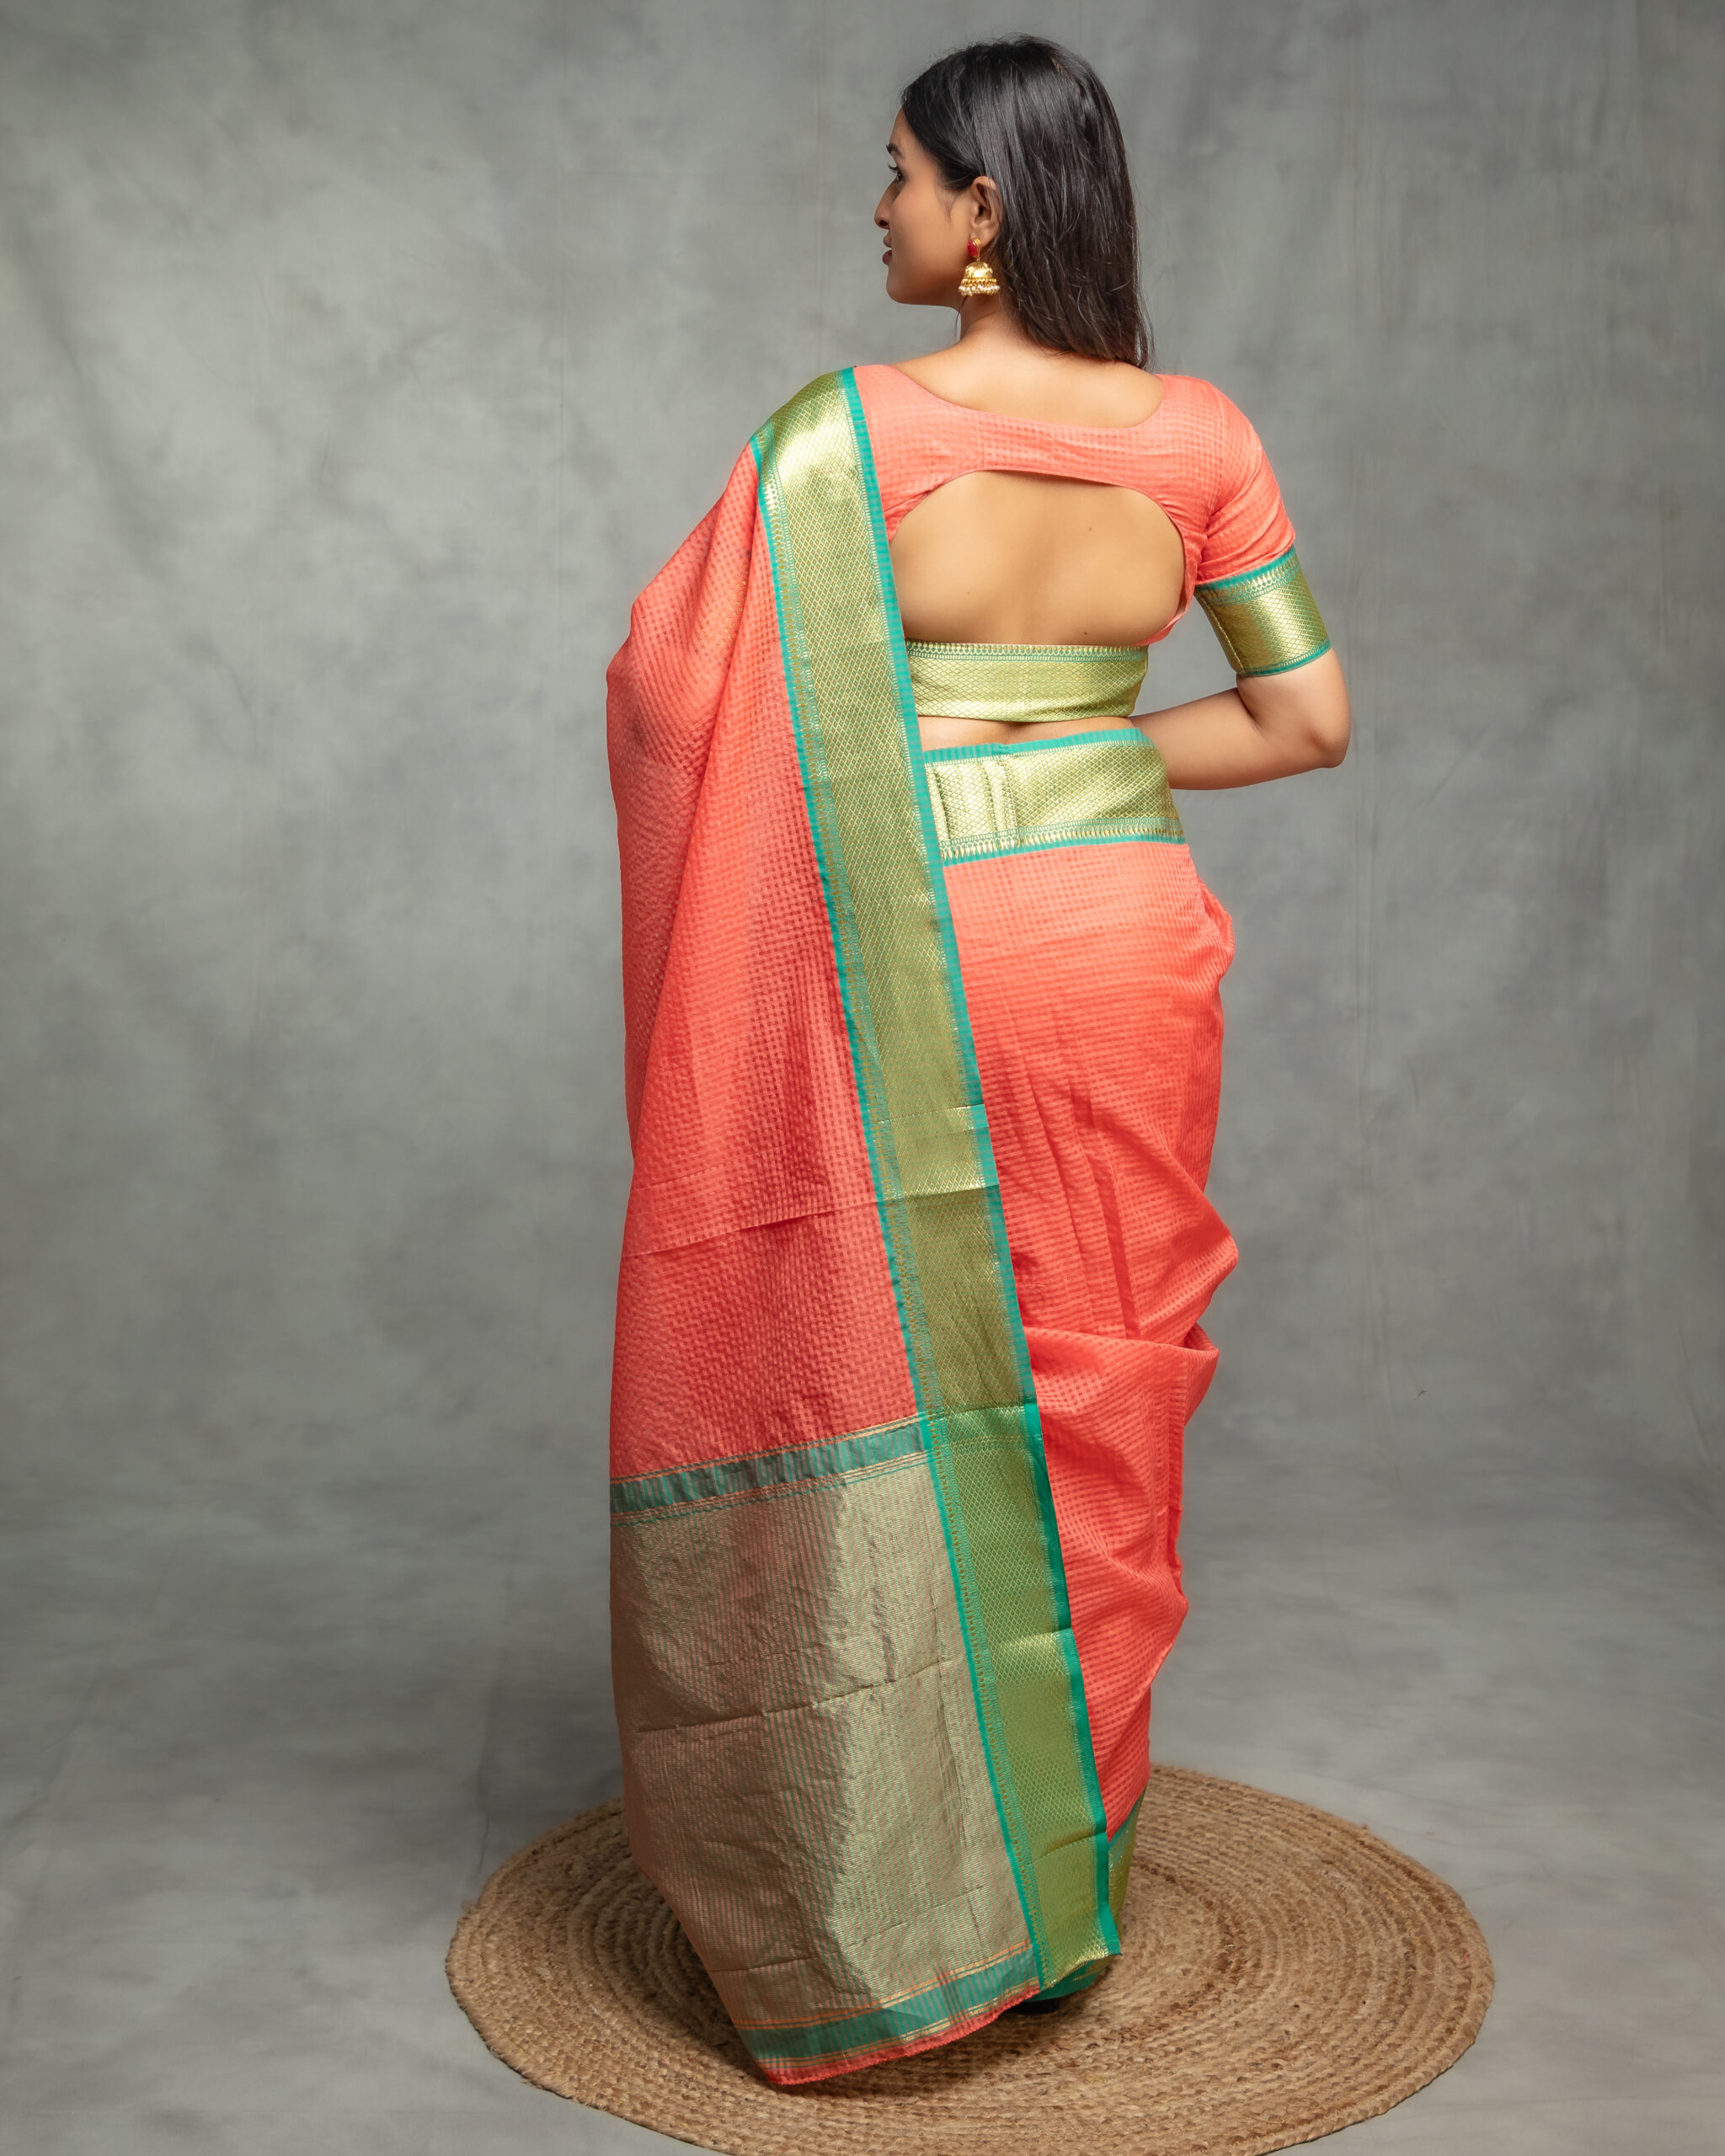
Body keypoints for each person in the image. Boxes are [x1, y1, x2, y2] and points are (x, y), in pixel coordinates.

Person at [605, 35, 1349, 2088]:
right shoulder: (1201, 437)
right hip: (1121, 940)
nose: (879, 209)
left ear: (985, 209)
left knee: (887, 1356)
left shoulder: (841, 440)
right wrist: (1078, 748)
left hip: (908, 941)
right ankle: (1058, 1885)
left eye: (899, 174)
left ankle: (887, 1887)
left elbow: (676, 707)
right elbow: (1300, 719)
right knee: (1098, 1361)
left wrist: (902, 774)